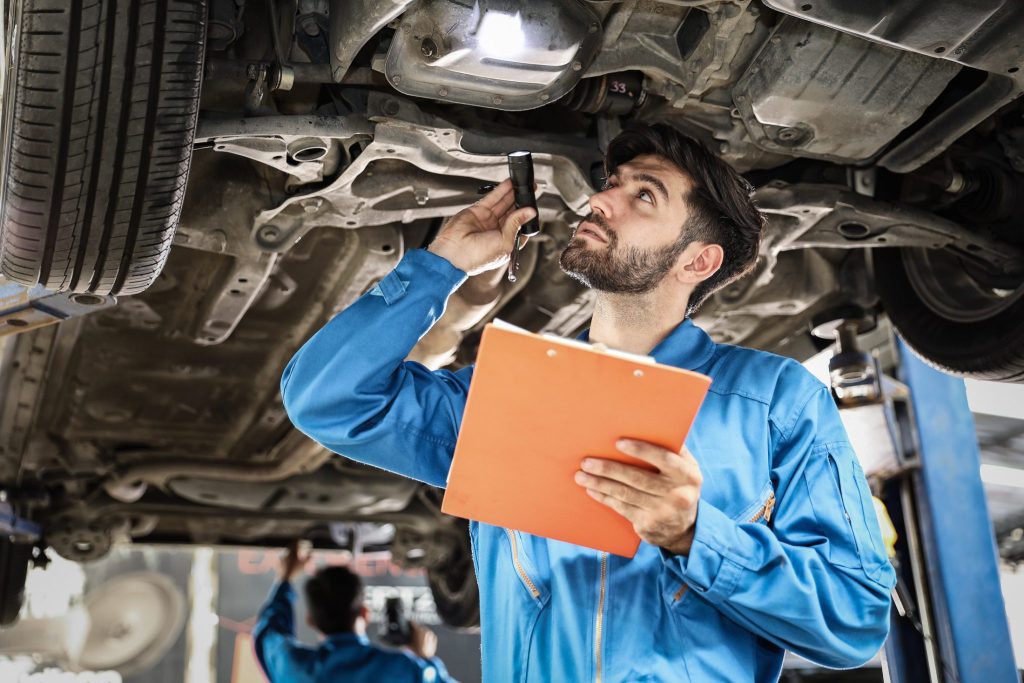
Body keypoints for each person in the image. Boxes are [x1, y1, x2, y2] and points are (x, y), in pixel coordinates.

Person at [280, 123, 897, 681]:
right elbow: (327, 400)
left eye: (644, 196)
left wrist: (694, 537)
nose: (600, 200)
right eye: (612, 184)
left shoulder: (776, 403)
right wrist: (441, 266)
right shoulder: (509, 395)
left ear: (698, 260)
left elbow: (855, 621)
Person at [253, 540, 455, 683]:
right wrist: (425, 660)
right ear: (365, 613)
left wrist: (284, 578)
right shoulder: (403, 670)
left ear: (311, 620)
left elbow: (268, 635)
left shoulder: (298, 670)